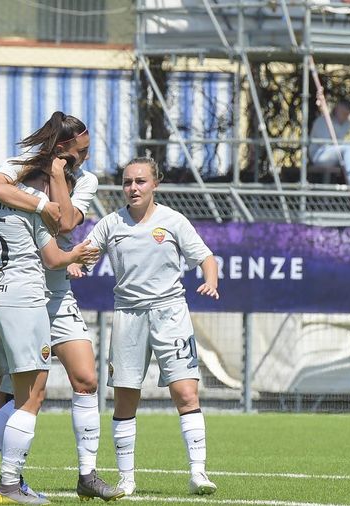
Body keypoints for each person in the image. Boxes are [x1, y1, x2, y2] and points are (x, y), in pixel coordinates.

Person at [0, 111, 121, 500]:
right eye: (81, 151)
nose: (86, 158)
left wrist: (57, 177)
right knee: (11, 393)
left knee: (86, 378)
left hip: (55, 295)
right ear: (61, 148)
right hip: (22, 294)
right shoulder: (21, 166)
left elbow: (68, 222)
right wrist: (40, 203)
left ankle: (87, 475)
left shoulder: (84, 179)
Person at [0, 164, 100, 504]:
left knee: (1, 389)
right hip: (25, 302)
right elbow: (52, 258)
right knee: (29, 396)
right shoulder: (36, 207)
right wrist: (74, 255)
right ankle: (3, 481)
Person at [85, 157, 220, 496]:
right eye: (127, 182)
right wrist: (75, 263)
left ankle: (198, 473)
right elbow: (86, 253)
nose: (133, 188)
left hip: (170, 313)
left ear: (155, 184)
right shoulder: (111, 223)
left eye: (140, 181)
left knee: (186, 393)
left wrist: (210, 280)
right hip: (128, 316)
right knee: (125, 398)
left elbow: (206, 257)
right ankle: (126, 478)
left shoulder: (173, 220)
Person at [310, 98, 350, 210]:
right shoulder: (322, 121)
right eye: (343, 112)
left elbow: (340, 145)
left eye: (347, 113)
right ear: (337, 109)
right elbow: (324, 144)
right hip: (320, 155)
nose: (345, 116)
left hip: (338, 156)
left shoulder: (347, 124)